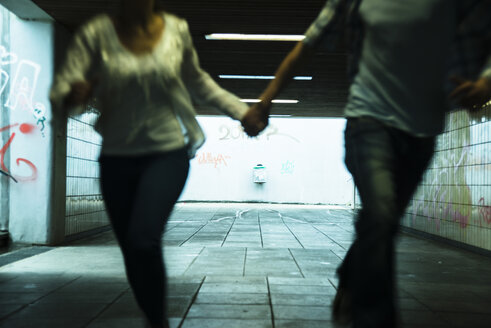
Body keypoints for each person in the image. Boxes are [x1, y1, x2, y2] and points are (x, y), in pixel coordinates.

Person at [250, 0, 491, 327]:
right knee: (379, 216)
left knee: (384, 224)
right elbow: (307, 45)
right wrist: (266, 100)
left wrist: (485, 81)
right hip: (368, 120)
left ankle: (351, 270)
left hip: (421, 132)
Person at [49, 0, 266, 327]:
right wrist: (73, 94)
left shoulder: (175, 31)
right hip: (116, 160)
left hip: (167, 153)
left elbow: (199, 81)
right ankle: (155, 318)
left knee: (143, 239)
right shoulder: (95, 34)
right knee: (133, 252)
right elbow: (64, 89)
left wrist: (241, 111)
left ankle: (157, 323)